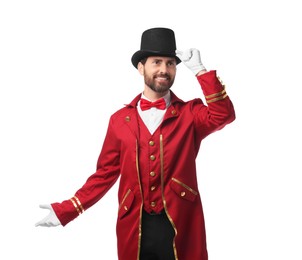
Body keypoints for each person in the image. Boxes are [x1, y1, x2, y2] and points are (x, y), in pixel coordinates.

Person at [36, 27, 235, 260]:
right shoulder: (119, 121)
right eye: (156, 62)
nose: (164, 69)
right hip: (135, 225)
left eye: (170, 64)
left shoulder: (190, 113)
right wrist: (67, 209)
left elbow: (224, 115)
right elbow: (105, 174)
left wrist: (201, 71)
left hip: (181, 222)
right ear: (141, 68)